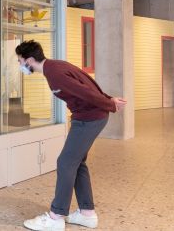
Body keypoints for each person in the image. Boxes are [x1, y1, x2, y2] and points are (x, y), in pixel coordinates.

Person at [16, 40, 127, 231]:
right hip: (86, 117)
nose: (20, 65)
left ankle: (56, 216)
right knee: (76, 163)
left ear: (30, 60)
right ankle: (87, 214)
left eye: (20, 61)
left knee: (65, 162)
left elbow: (86, 92)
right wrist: (109, 98)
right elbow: (87, 83)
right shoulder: (56, 66)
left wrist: (110, 104)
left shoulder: (55, 74)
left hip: (88, 119)